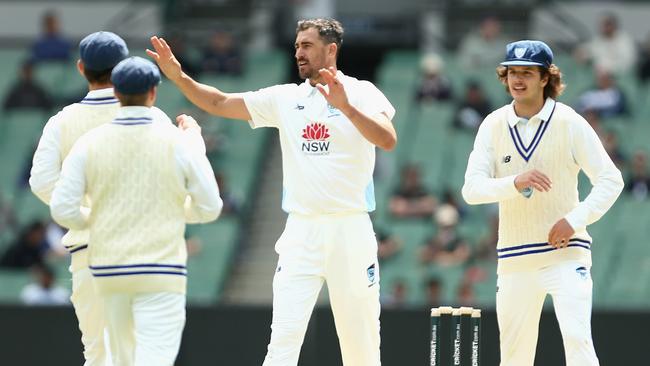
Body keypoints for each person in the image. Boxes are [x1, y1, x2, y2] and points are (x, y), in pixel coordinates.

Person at [147, 17, 396, 366]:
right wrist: (179, 77)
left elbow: (387, 139)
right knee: (282, 343)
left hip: (350, 229)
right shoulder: (285, 98)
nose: (298, 53)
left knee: (362, 348)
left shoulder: (363, 92)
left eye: (306, 45)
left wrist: (346, 108)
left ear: (331, 50)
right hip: (301, 231)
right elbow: (219, 103)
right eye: (296, 46)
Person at [50, 56, 223, 366]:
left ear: (116, 93)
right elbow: (209, 207)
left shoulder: (90, 142)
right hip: (160, 269)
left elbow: (63, 208)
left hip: (108, 269)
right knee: (154, 360)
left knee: (119, 360)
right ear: (154, 93)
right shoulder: (178, 141)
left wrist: (97, 220)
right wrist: (172, 210)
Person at [462, 40, 624, 366]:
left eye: (527, 72)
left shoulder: (569, 122)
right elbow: (471, 190)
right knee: (514, 357)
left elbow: (611, 180)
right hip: (514, 258)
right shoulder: (493, 124)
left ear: (545, 78)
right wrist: (514, 182)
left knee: (578, 343)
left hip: (566, 253)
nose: (517, 80)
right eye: (512, 72)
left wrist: (575, 220)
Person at [29, 31, 129, 366]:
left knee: (98, 355)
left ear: (80, 67)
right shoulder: (146, 114)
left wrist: (85, 214)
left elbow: (41, 181)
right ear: (124, 68)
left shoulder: (63, 120)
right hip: (140, 244)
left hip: (89, 250)